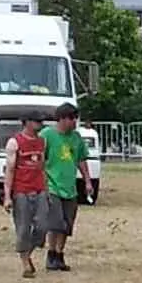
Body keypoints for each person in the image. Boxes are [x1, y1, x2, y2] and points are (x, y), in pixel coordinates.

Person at [39, 104, 90, 270]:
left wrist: (87, 181)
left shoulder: (76, 138)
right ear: (61, 119)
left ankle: (60, 254)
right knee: (55, 223)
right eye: (71, 118)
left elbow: (81, 160)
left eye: (75, 118)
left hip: (70, 188)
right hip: (52, 186)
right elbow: (39, 159)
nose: (74, 122)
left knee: (67, 224)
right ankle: (51, 253)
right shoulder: (47, 135)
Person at [2, 115, 50, 277]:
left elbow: (42, 167)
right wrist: (7, 196)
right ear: (27, 122)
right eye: (37, 121)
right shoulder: (15, 142)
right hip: (21, 190)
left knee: (43, 226)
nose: (40, 124)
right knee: (23, 228)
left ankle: (28, 252)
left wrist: (47, 188)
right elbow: (9, 169)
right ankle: (25, 262)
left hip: (39, 189)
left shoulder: (42, 142)